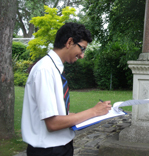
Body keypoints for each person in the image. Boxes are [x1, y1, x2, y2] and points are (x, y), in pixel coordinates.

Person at [21, 22, 111, 156]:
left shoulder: (54, 69)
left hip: (60, 147)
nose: (82, 55)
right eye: (82, 48)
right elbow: (53, 124)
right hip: (49, 150)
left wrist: (73, 116)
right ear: (69, 42)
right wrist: (94, 112)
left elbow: (53, 113)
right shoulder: (45, 70)